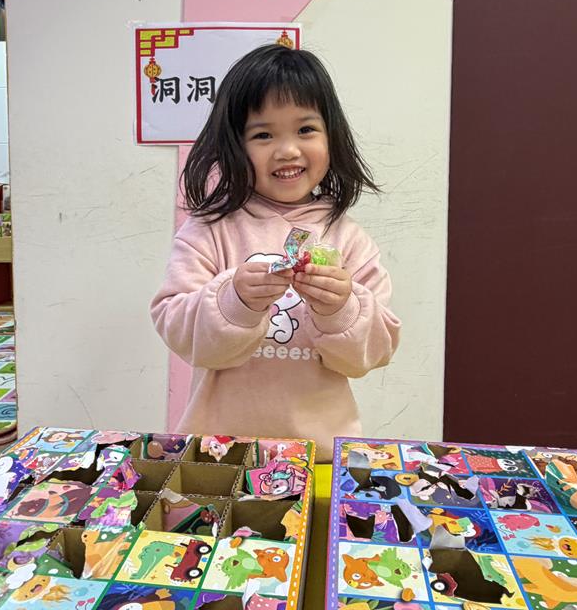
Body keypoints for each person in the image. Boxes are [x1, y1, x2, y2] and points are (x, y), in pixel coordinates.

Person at [151, 44, 400, 457]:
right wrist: (235, 300)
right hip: (220, 453)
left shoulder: (349, 239)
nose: (287, 150)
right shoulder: (209, 230)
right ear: (234, 145)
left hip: (320, 451)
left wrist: (341, 308)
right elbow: (177, 330)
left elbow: (370, 355)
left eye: (306, 130)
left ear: (332, 137)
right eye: (263, 135)